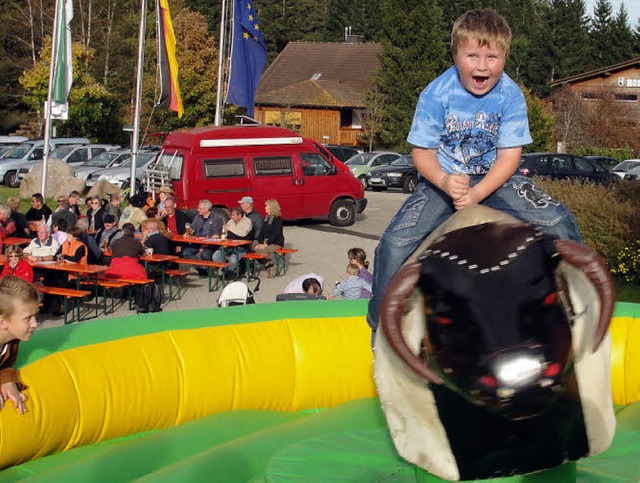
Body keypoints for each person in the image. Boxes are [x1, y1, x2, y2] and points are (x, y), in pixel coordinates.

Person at [366, 9, 582, 341]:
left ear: (504, 57)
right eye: (472, 55)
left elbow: (510, 156)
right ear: (455, 55)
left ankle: (577, 304)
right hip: (442, 181)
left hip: (496, 179)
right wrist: (443, 181)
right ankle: (380, 329)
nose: (482, 65)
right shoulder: (436, 94)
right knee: (393, 246)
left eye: (492, 56)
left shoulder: (510, 95)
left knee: (559, 223)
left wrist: (478, 194)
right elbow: (421, 153)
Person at [0, 276, 39, 415]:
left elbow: (5, 365)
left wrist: (6, 379)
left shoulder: (12, 343)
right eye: (28, 318)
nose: (35, 324)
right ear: (3, 321)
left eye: (35, 316)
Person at [182, 200, 223, 275]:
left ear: (206, 209)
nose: (198, 210)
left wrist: (205, 245)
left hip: (211, 243)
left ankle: (208, 269)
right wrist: (188, 232)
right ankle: (202, 269)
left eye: (200, 208)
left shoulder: (216, 218)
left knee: (205, 255)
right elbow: (192, 228)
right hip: (198, 241)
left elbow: (216, 235)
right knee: (186, 252)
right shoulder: (198, 217)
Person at [213, 207, 252, 279]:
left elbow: (243, 233)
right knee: (216, 256)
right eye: (231, 215)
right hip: (229, 245)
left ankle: (228, 272)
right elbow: (225, 232)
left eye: (233, 215)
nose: (231, 217)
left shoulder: (247, 222)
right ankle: (229, 269)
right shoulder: (231, 221)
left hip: (242, 246)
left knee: (234, 259)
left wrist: (230, 228)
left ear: (239, 215)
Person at [254, 199, 284, 279]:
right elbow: (262, 233)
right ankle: (267, 265)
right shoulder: (266, 219)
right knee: (255, 248)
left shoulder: (277, 220)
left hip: (275, 242)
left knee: (261, 251)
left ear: (272, 208)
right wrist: (260, 243)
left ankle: (270, 267)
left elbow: (275, 234)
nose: (265, 208)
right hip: (265, 241)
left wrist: (265, 245)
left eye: (266, 206)